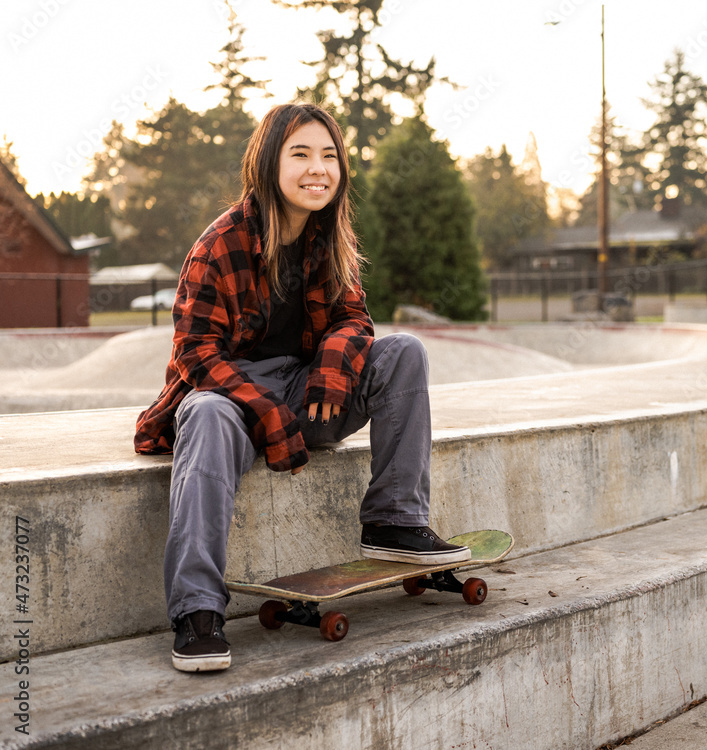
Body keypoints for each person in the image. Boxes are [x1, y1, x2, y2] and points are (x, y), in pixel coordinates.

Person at [134, 103, 470, 673]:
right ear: (269, 164)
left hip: (307, 392)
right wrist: (265, 410)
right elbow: (196, 353)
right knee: (207, 414)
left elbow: (354, 318)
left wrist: (333, 365)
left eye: (329, 156)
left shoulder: (331, 238)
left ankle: (394, 521)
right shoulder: (219, 245)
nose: (318, 169)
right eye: (301, 154)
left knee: (404, 353)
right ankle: (197, 610)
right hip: (230, 401)